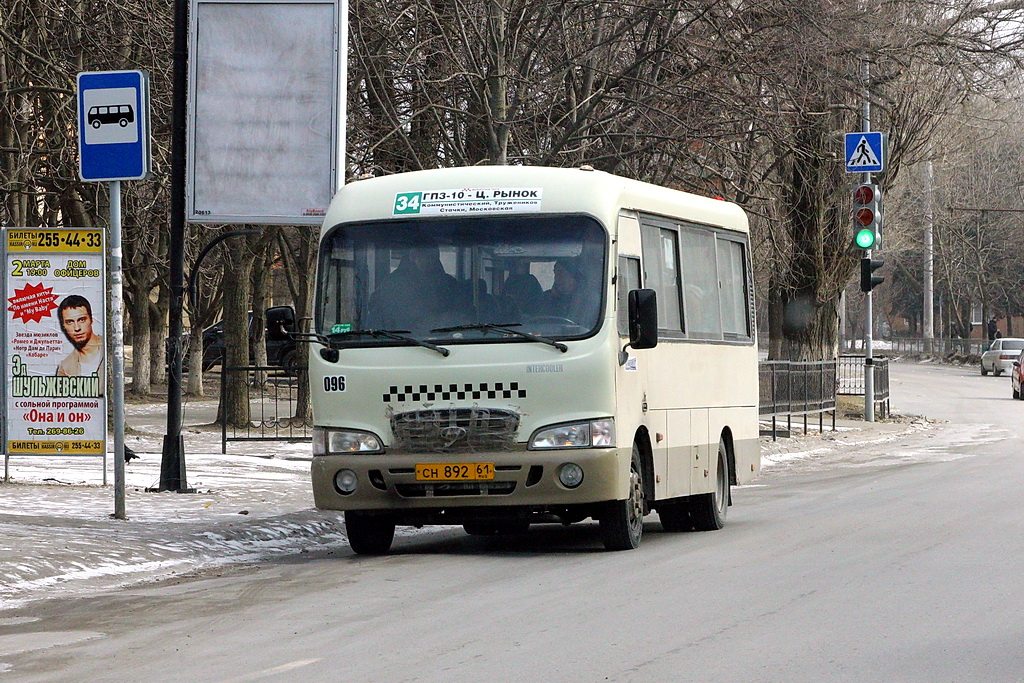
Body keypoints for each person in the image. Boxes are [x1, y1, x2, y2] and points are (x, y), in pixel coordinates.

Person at [366, 243, 461, 331]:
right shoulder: (392, 283)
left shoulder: (449, 284)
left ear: (437, 257)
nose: (427, 260)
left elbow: (465, 315)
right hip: (396, 340)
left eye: (431, 256)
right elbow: (376, 315)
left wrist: (444, 319)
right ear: (411, 257)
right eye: (422, 255)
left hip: (449, 340)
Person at [56, 295, 105, 392]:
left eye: (82, 320)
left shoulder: (109, 349)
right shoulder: (65, 367)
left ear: (91, 320)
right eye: (70, 322)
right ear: (63, 327)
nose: (77, 328)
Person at [540, 257, 597, 324]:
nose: (556, 277)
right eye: (555, 273)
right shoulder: (546, 298)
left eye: (561, 273)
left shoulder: (589, 300)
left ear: (574, 277)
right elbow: (537, 323)